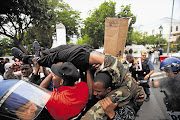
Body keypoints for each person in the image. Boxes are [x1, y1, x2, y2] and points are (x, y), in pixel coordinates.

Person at [12, 44, 144, 120]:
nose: (96, 94)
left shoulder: (56, 99)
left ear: (108, 90)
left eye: (54, 75)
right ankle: (39, 54)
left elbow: (39, 89)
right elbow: (90, 89)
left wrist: (112, 114)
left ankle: (38, 56)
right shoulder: (82, 88)